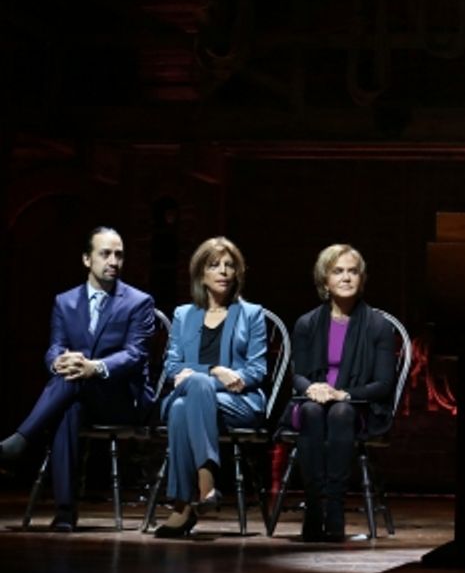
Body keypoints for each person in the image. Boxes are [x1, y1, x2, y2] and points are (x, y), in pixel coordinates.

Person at [0, 227, 156, 531]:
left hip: (120, 399)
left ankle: (21, 441)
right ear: (87, 259)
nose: (113, 261)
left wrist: (94, 367)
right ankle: (65, 514)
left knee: (72, 384)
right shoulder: (65, 301)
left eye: (119, 255)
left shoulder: (138, 302)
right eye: (105, 254)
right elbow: (55, 346)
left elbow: (135, 354)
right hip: (78, 395)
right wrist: (58, 361)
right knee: (68, 406)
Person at [154, 237, 267, 538]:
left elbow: (257, 370)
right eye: (215, 265)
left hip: (238, 401)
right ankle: (206, 488)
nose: (224, 271)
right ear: (201, 274)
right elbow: (172, 366)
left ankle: (182, 505)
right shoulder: (183, 315)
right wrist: (214, 371)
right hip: (195, 393)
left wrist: (205, 376)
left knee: (182, 406)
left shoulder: (251, 314)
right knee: (193, 391)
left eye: (230, 265)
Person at [288, 244, 395, 542]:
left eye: (352, 271)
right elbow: (297, 375)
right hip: (313, 400)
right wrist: (311, 388)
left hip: (357, 405)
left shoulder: (378, 326)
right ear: (325, 280)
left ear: (362, 278)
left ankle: (334, 506)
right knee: (311, 410)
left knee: (340, 413)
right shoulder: (307, 323)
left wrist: (344, 394)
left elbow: (383, 384)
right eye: (338, 271)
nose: (346, 278)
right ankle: (313, 505)